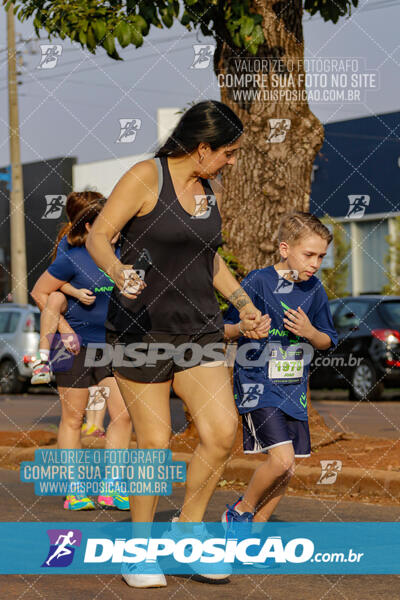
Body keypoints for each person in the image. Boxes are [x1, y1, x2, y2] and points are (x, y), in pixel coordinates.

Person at [86, 99, 269, 588]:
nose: (231, 162)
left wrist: (243, 303)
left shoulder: (209, 191)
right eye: (228, 153)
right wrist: (118, 272)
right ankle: (139, 551)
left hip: (199, 327)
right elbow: (100, 236)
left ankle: (188, 529)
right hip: (139, 331)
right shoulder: (146, 176)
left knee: (220, 430)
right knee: (154, 440)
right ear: (203, 147)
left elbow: (210, 258)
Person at [222, 211, 338, 524]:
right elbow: (226, 327)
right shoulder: (258, 281)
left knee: (289, 465)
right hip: (257, 385)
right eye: (309, 255)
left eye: (321, 257)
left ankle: (254, 534)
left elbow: (328, 339)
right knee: (282, 458)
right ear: (285, 249)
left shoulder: (315, 290)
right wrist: (245, 327)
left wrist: (311, 332)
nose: (315, 263)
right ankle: (240, 511)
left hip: (293, 390)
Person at [31, 200, 132, 511]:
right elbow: (39, 292)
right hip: (71, 346)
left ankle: (111, 488)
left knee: (124, 415)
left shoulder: (122, 257)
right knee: (73, 418)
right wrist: (63, 327)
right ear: (89, 227)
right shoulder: (72, 258)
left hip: (110, 345)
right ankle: (75, 490)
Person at [31, 191, 104, 385]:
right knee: (54, 298)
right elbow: (55, 281)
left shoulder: (111, 242)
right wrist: (75, 293)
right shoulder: (69, 242)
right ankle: (42, 358)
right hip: (68, 302)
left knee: (99, 396)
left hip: (102, 335)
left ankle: (94, 417)